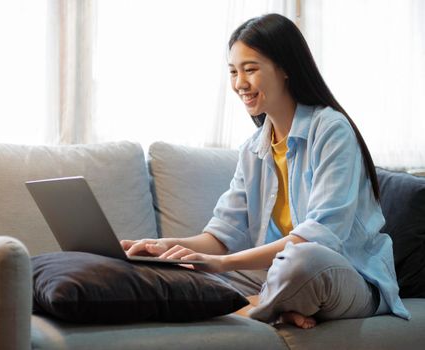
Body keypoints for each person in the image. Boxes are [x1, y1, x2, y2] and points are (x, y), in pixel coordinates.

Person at [121, 13, 410, 329]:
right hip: (277, 275)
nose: (239, 83)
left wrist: (222, 264)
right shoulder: (254, 148)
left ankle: (250, 310)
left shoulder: (331, 130)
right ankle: (280, 307)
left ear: (285, 68)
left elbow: (320, 239)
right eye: (233, 71)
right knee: (182, 270)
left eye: (250, 69)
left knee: (302, 261)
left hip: (348, 277)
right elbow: (222, 234)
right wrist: (169, 247)